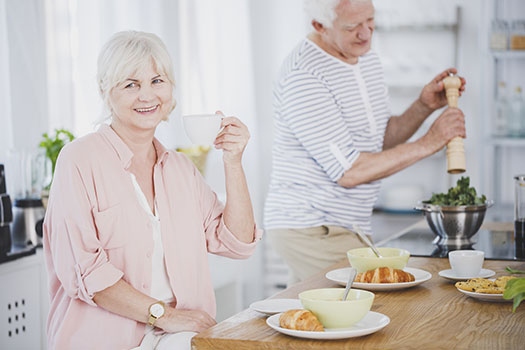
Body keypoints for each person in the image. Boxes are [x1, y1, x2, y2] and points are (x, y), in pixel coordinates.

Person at [43, 30, 262, 350]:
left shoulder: (181, 169)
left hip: (176, 337)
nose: (147, 96)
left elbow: (239, 243)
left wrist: (233, 161)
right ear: (106, 90)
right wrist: (164, 315)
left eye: (157, 81)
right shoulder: (79, 160)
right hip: (104, 340)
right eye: (131, 84)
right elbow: (87, 273)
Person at [263, 0, 466, 285]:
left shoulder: (365, 58)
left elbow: (379, 139)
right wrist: (430, 141)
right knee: (372, 303)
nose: (365, 33)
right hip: (312, 227)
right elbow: (350, 171)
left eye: (370, 21)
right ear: (320, 26)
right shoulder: (304, 75)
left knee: (331, 318)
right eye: (352, 26)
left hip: (348, 224)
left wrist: (423, 107)